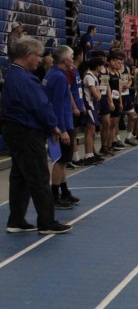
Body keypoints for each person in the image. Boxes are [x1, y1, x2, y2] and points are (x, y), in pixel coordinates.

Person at [1, 36, 73, 234]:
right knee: (39, 177)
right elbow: (40, 106)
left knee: (20, 176)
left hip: (14, 130)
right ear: (29, 55)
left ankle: (16, 220)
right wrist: (53, 126)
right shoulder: (25, 79)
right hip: (27, 132)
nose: (40, 60)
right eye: (39, 56)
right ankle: (47, 222)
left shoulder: (13, 75)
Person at [44, 45, 81, 210]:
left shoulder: (52, 74)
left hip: (60, 123)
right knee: (60, 160)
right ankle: (54, 195)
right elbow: (57, 105)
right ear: (65, 60)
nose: (73, 59)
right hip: (62, 124)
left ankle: (64, 191)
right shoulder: (59, 77)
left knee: (63, 160)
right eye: (71, 57)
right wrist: (62, 129)